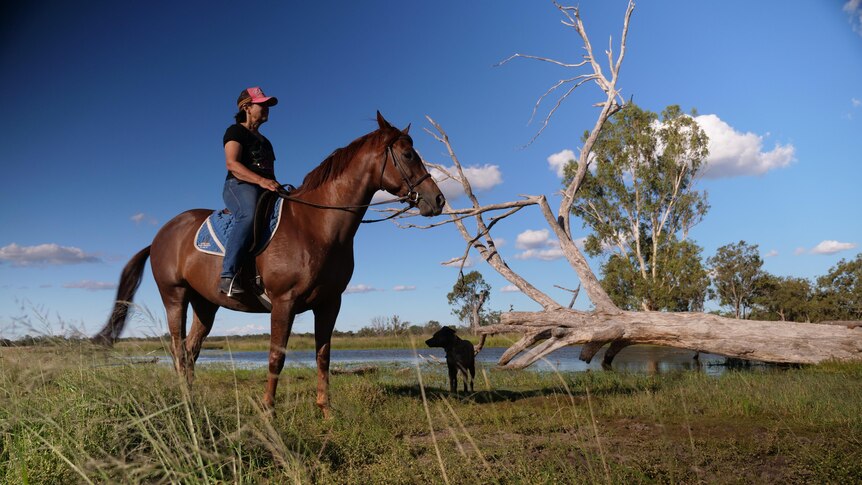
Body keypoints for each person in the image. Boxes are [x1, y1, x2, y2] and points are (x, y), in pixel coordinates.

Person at [219, 87, 281, 297]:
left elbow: (270, 173)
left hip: (263, 186)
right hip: (238, 185)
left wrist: (276, 186)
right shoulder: (235, 131)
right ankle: (228, 275)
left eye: (267, 105)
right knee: (249, 214)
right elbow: (232, 164)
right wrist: (261, 181)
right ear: (246, 107)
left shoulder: (267, 142)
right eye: (261, 104)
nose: (266, 109)